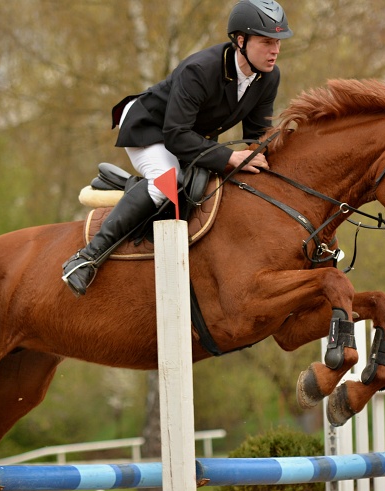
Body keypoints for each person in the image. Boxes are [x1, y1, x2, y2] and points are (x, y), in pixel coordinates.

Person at [62, 0, 293, 296]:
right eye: (266, 42)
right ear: (240, 41)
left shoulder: (268, 76)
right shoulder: (200, 70)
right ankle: (86, 259)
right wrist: (230, 156)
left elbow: (256, 135)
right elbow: (175, 135)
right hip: (150, 127)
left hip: (189, 135)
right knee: (167, 183)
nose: (275, 50)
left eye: (278, 42)